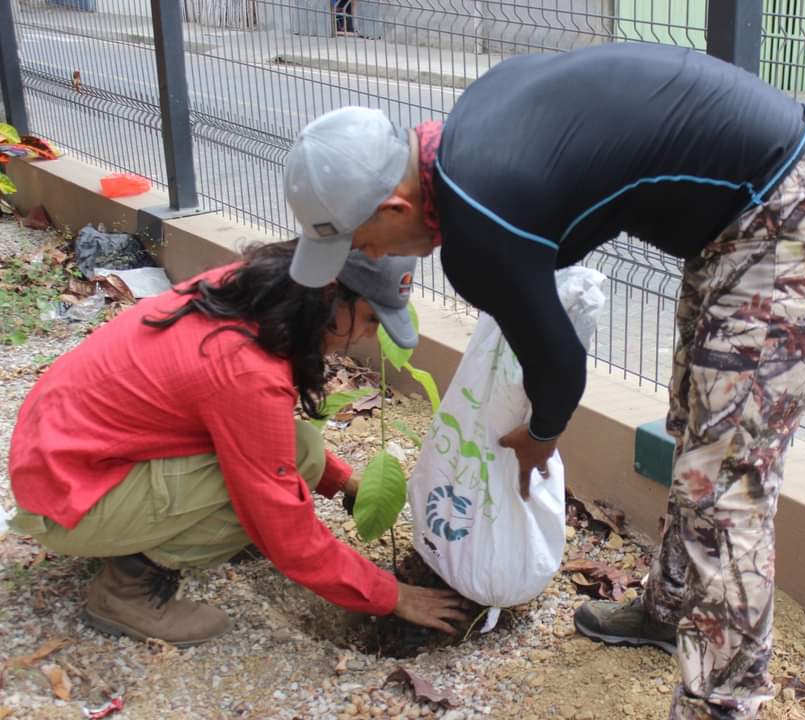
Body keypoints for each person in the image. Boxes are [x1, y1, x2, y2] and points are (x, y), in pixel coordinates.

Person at [282, 42, 805, 719]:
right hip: (744, 212)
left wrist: (540, 435)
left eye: (361, 243)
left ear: (393, 205)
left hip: (792, 212)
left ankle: (722, 704)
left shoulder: (479, 220)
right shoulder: (464, 136)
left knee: (726, 483)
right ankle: (671, 609)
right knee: (696, 425)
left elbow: (560, 367)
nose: (370, 258)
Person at [7, 242, 468, 648]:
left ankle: (163, 534)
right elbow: (283, 528)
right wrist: (392, 595)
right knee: (269, 495)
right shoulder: (245, 369)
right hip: (71, 496)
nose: (370, 334)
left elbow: (264, 436)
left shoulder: (249, 288)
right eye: (369, 319)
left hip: (66, 454)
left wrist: (343, 481)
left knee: (304, 450)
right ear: (330, 296)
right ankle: (126, 592)